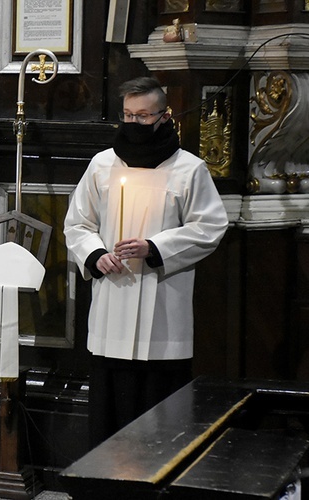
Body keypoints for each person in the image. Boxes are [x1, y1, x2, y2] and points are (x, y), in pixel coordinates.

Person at [63, 77, 228, 448]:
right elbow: (78, 223)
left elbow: (211, 226)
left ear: (165, 116)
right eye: (127, 115)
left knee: (160, 415)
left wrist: (154, 247)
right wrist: (95, 254)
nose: (134, 124)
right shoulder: (102, 165)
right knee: (111, 407)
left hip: (162, 306)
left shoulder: (189, 169)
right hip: (113, 302)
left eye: (143, 116)